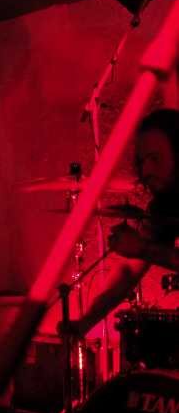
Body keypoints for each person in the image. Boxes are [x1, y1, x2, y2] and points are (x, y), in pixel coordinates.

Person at [62, 108, 179, 338]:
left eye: (155, 159)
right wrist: (85, 322)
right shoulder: (164, 205)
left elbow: (144, 251)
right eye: (142, 161)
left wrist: (143, 249)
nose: (146, 170)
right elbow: (128, 272)